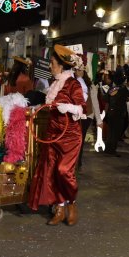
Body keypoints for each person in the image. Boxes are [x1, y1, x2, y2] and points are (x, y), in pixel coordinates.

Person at [28, 44, 86, 226]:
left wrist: (68, 107)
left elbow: (82, 109)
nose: (50, 66)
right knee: (52, 172)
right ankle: (59, 208)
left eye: (52, 63)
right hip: (52, 134)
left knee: (64, 171)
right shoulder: (54, 83)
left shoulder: (73, 84)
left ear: (61, 65)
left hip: (69, 136)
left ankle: (72, 204)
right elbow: (49, 106)